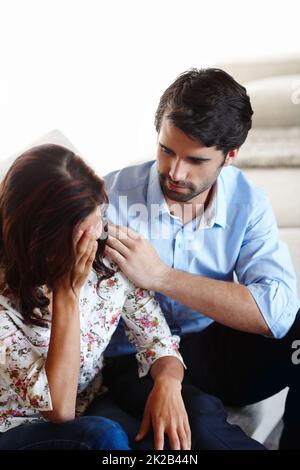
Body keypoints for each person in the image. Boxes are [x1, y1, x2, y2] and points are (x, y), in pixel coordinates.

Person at [103, 68, 300, 449]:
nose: (175, 172)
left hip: (214, 345)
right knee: (200, 429)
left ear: (230, 156)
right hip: (136, 358)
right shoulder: (111, 199)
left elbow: (277, 313)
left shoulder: (248, 201)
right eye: (166, 150)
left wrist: (161, 276)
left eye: (195, 160)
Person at [0, 143, 192, 450]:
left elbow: (157, 340)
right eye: (84, 232)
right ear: (42, 237)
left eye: (100, 215)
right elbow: (58, 408)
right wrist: (67, 294)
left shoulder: (106, 253)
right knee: (104, 437)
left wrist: (168, 381)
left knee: (169, 442)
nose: (99, 233)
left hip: (88, 404)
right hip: (16, 428)